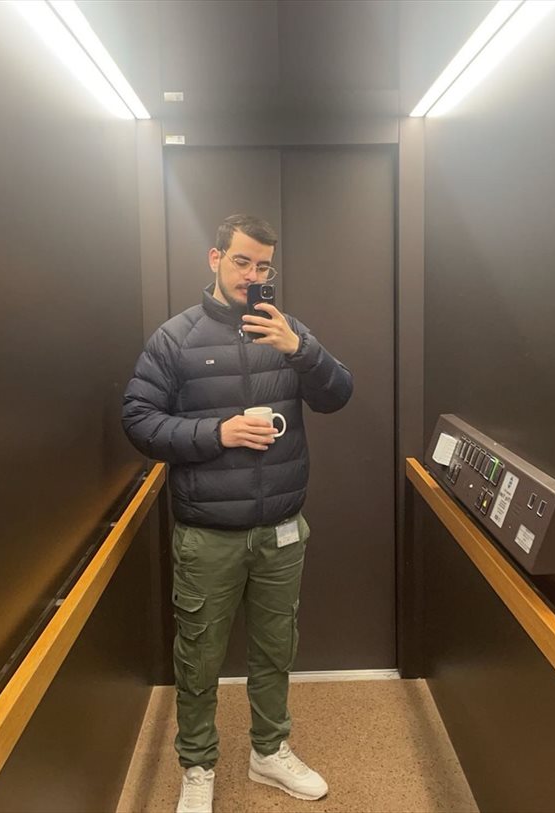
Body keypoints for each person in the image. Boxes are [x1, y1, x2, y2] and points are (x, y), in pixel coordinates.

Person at [122, 214, 353, 813]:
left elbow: (338, 394)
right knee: (198, 657)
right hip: (207, 534)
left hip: (282, 529)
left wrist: (301, 350)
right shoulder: (175, 339)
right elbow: (138, 421)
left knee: (276, 649)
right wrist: (217, 432)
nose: (252, 275)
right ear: (215, 258)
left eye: (263, 266)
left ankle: (269, 752)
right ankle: (198, 766)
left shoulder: (288, 332)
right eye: (241, 261)